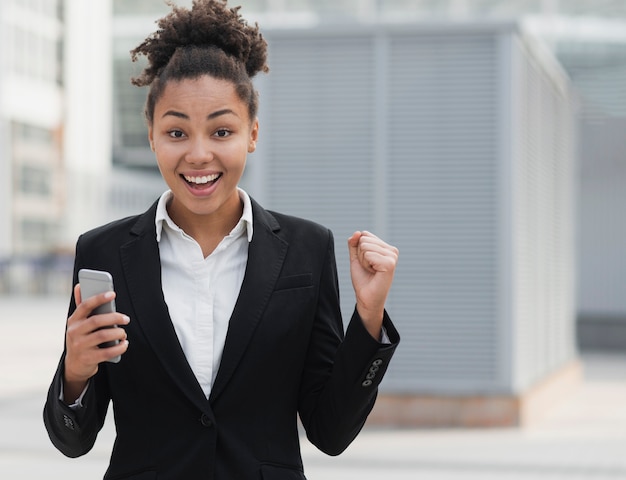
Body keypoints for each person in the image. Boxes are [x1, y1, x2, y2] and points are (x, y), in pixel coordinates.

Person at [43, 1, 400, 478]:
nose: (198, 154)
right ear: (151, 136)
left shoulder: (306, 250)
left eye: (222, 130)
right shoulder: (103, 253)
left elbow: (330, 432)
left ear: (252, 134)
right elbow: (73, 441)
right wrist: (75, 373)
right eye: (176, 131)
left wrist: (369, 317)